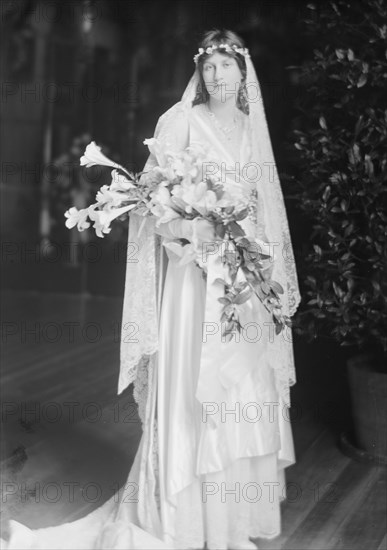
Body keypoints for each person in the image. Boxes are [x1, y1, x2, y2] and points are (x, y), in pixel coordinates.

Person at [3, 29, 301, 550]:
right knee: (191, 388)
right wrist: (189, 232)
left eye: (225, 66)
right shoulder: (179, 120)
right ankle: (181, 517)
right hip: (192, 282)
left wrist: (261, 269)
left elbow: (263, 208)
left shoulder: (254, 131)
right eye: (207, 66)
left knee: (240, 388)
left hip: (238, 279)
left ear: (243, 71)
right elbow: (152, 209)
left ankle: (228, 521)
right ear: (198, 72)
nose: (216, 76)